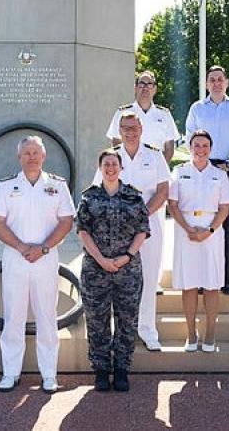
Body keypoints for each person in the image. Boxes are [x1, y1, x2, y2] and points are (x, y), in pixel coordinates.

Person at [0, 136, 75, 394]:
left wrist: (43, 247)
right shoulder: (6, 187)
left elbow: (66, 221)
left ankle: (49, 375)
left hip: (46, 259)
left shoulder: (58, 186)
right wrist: (22, 246)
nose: (31, 157)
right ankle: (10, 373)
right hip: (16, 258)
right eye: (26, 153)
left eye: (36, 152)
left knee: (47, 317)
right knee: (13, 316)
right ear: (19, 157)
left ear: (44, 156)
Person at [94, 111, 170, 351]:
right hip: (117, 230)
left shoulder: (155, 156)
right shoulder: (111, 158)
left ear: (141, 130)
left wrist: (140, 215)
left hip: (148, 226)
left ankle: (147, 329)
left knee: (147, 277)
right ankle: (121, 331)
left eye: (134, 127)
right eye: (125, 128)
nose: (130, 132)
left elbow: (162, 191)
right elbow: (99, 190)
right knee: (118, 281)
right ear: (119, 131)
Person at [78, 149, 150, 392]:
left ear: (121, 167)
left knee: (127, 320)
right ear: (100, 168)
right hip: (95, 270)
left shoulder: (133, 196)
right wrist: (100, 259)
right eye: (106, 164)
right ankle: (100, 370)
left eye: (114, 164)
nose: (110, 168)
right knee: (97, 321)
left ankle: (121, 369)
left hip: (128, 270)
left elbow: (143, 229)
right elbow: (83, 231)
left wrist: (126, 256)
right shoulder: (89, 197)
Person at [185, 66, 229, 295]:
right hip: (202, 170)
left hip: (227, 172)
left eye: (220, 79)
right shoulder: (197, 108)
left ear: (227, 83)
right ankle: (202, 278)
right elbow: (189, 139)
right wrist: (204, 162)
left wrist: (228, 165)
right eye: (211, 80)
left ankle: (224, 279)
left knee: (225, 228)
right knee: (202, 223)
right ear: (206, 84)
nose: (216, 83)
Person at [167, 130, 229, 353]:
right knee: (189, 284)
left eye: (205, 145)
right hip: (185, 230)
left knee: (212, 284)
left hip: (212, 232)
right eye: (197, 145)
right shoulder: (178, 172)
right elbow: (173, 205)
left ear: (211, 148)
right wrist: (188, 228)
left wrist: (210, 230)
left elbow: (225, 207)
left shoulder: (220, 175)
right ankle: (191, 334)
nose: (201, 149)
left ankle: (210, 334)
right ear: (190, 147)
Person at [106, 71, 180, 162]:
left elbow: (169, 147)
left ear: (155, 89)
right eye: (142, 84)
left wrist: (159, 168)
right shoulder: (122, 112)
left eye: (149, 84)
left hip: (155, 170)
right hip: (128, 169)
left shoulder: (164, 114)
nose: (145, 88)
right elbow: (116, 142)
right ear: (135, 88)